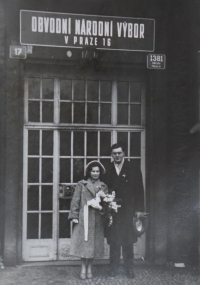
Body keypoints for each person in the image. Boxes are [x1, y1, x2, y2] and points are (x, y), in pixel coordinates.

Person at [104, 143, 145, 278]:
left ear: (124, 154)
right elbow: (104, 189)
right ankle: (113, 268)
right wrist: (107, 205)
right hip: (113, 210)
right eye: (114, 153)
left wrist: (139, 209)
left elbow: (139, 190)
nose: (117, 155)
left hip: (129, 210)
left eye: (119, 153)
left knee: (128, 241)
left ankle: (129, 268)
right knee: (114, 241)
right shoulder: (108, 169)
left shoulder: (133, 168)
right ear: (112, 155)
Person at [68, 160, 108, 280]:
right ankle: (83, 268)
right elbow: (75, 201)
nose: (95, 173)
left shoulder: (103, 186)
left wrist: (100, 207)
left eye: (97, 171)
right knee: (83, 244)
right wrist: (74, 216)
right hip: (83, 217)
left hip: (96, 219)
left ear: (100, 173)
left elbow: (106, 205)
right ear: (89, 172)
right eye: (93, 171)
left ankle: (90, 268)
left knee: (93, 245)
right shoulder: (82, 184)